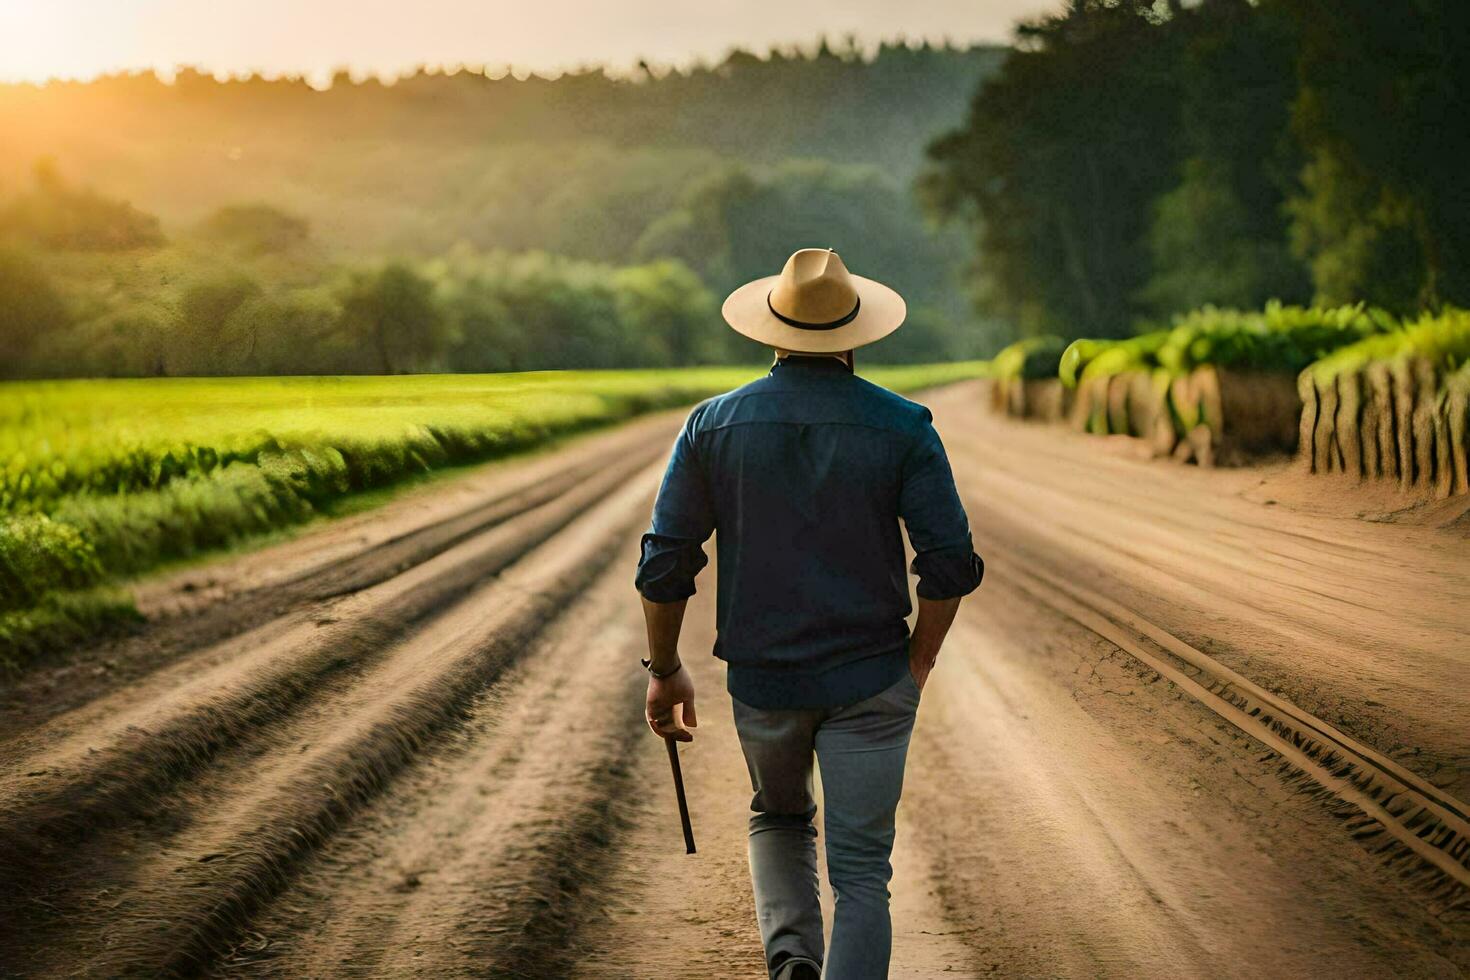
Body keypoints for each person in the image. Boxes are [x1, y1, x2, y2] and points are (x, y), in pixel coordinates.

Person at [634, 247, 983, 980]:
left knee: (779, 817)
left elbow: (666, 562)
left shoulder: (710, 426)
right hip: (872, 677)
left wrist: (665, 670)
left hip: (765, 682)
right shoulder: (905, 426)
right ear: (855, 335)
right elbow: (949, 559)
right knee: (861, 875)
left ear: (772, 330)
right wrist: (918, 658)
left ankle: (791, 959)